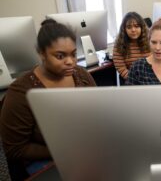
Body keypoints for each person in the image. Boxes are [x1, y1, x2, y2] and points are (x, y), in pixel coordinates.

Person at [0, 19, 96, 180]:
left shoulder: (81, 74)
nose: (70, 61)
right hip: (45, 158)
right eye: (60, 56)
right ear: (41, 53)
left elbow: (98, 110)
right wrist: (64, 150)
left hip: (83, 148)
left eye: (73, 54)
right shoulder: (20, 93)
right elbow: (15, 149)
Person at [113, 12, 150, 83]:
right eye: (129, 27)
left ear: (142, 27)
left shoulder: (150, 40)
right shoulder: (119, 44)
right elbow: (121, 68)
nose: (133, 30)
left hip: (148, 77)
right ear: (124, 29)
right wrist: (136, 80)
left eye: (136, 26)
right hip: (130, 79)